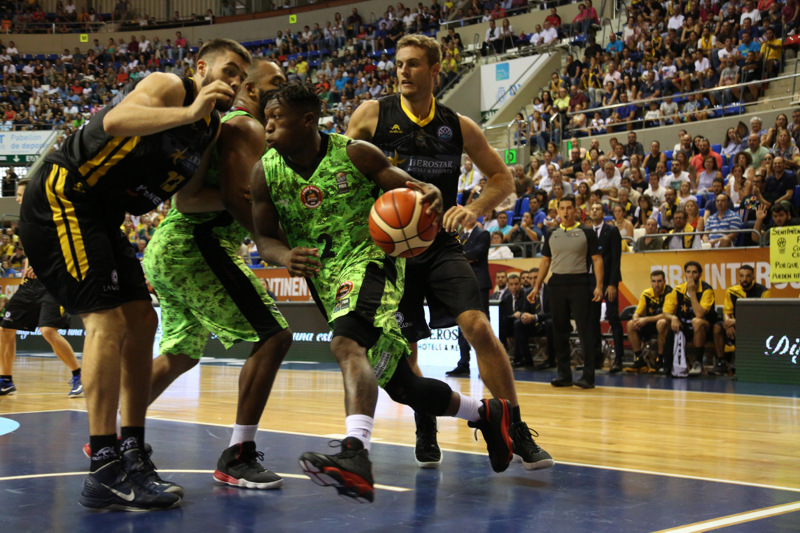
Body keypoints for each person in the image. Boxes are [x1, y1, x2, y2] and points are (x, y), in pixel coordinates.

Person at [251, 82, 515, 502]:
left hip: (370, 262)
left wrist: (427, 191)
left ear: (307, 120)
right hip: (325, 280)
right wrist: (284, 255)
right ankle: (486, 413)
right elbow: (263, 238)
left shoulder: (355, 153)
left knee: (345, 344)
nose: (267, 127)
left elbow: (409, 185)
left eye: (276, 119)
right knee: (401, 385)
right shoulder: (264, 171)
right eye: (266, 119)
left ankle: (355, 453)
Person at [18, 38, 252, 511]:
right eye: (228, 70)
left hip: (105, 215)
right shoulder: (171, 88)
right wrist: (190, 111)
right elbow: (115, 121)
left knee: (144, 320)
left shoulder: (209, 127)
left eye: (241, 78)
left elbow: (189, 198)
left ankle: (132, 449)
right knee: (107, 321)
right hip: (66, 194)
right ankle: (103, 466)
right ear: (201, 67)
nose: (234, 82)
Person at [346, 34, 553, 471]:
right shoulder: (371, 115)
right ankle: (426, 426)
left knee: (478, 326)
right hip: (389, 251)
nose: (403, 71)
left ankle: (515, 428)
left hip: (438, 241)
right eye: (399, 64)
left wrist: (474, 208)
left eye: (413, 64)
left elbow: (502, 178)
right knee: (406, 349)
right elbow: (341, 171)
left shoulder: (457, 125)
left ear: (435, 70)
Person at [140, 59, 292, 490]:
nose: (283, 88)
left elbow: (201, 196)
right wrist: (276, 244)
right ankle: (238, 455)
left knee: (181, 353)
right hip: (196, 243)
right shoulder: (244, 125)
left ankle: (116, 435)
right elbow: (227, 198)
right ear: (251, 89)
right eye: (275, 82)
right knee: (275, 336)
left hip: (170, 247)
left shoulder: (235, 127)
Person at [0, 179, 83, 398]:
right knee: (5, 329)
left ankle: (78, 375)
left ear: (33, 195)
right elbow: (31, 254)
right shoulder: (26, 221)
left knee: (47, 330)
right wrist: (23, 280)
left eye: (20, 195)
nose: (17, 199)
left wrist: (42, 265)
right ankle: (5, 381)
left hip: (55, 282)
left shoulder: (53, 217)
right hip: (31, 285)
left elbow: (65, 250)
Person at [529, 195, 603, 389]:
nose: (566, 211)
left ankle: (588, 376)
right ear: (558, 211)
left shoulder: (586, 232)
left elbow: (597, 259)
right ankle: (564, 375)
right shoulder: (551, 233)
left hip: (580, 283)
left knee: (585, 330)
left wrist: (599, 285)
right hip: (557, 284)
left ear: (575, 210)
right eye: (562, 208)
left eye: (569, 208)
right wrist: (537, 286)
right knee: (559, 330)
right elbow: (545, 261)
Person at [659, 261, 718, 376]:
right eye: (688, 272)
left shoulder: (707, 290)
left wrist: (692, 292)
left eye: (694, 272)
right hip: (683, 327)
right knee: (662, 323)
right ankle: (664, 361)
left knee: (697, 321)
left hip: (705, 328)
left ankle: (698, 362)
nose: (691, 275)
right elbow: (666, 312)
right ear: (685, 274)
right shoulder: (678, 290)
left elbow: (699, 314)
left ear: (700, 274)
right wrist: (673, 318)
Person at [448, 219, 491, 376]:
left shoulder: (483, 234)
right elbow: (465, 256)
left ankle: (486, 364)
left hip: (479, 283)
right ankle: (463, 363)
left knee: (482, 323)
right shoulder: (459, 236)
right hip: (462, 283)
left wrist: (456, 258)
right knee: (461, 323)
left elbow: (476, 254)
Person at [711, 265, 770, 376]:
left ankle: (743, 363)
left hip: (754, 326)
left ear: (753, 277)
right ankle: (721, 363)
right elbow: (727, 313)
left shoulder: (763, 292)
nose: (744, 279)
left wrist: (735, 322)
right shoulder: (731, 290)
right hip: (734, 324)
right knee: (717, 327)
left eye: (748, 276)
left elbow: (762, 317)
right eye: (742, 276)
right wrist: (728, 324)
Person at [588, 203, 624, 373]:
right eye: (592, 209)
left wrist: (612, 283)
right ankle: (596, 358)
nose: (594, 210)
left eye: (598, 209)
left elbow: (616, 259)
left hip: (608, 280)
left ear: (604, 213)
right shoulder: (586, 231)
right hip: (591, 281)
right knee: (592, 320)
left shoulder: (612, 230)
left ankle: (619, 359)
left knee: (613, 318)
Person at [626, 270, 672, 373]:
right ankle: (639, 360)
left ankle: (660, 360)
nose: (656, 284)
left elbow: (666, 315)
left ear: (664, 281)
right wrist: (636, 319)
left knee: (662, 323)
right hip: (650, 325)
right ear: (651, 282)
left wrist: (646, 319)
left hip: (666, 326)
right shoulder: (646, 293)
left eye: (659, 281)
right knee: (630, 324)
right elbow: (637, 312)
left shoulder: (670, 293)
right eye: (654, 281)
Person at [512, 268, 555, 369]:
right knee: (518, 324)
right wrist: (524, 316)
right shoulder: (528, 292)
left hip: (548, 324)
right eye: (530, 278)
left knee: (550, 323)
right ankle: (526, 359)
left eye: (535, 278)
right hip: (534, 324)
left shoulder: (551, 290)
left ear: (542, 277)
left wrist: (535, 317)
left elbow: (554, 313)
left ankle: (551, 359)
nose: (533, 281)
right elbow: (524, 310)